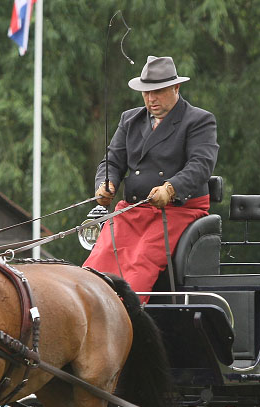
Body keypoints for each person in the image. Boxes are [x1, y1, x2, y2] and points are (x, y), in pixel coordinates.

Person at [83, 55, 218, 301]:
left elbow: (201, 165)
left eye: (157, 92)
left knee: (140, 261)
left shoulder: (198, 120)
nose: (150, 99)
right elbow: (112, 161)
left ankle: (127, 318)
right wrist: (106, 183)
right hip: (132, 210)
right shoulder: (130, 119)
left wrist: (171, 188)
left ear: (176, 88)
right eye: (146, 92)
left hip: (178, 210)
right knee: (98, 261)